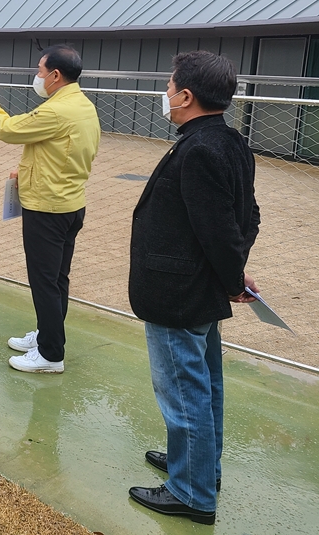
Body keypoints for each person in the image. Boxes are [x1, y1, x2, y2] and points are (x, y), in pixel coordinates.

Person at [127, 51, 259, 525]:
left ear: (186, 96)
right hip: (196, 289)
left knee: (184, 391)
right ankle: (199, 465)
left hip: (178, 293)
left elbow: (220, 227)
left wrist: (230, 277)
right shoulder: (230, 143)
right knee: (204, 385)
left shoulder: (200, 149)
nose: (166, 96)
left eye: (169, 89)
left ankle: (191, 492)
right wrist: (233, 270)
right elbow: (248, 218)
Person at [0, 44, 100, 373]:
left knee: (44, 281)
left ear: (56, 75)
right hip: (70, 203)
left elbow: (9, 130)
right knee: (57, 279)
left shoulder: (57, 110)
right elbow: (60, 152)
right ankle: (46, 335)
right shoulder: (82, 105)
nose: (37, 77)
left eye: (40, 72)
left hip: (48, 209)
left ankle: (51, 355)